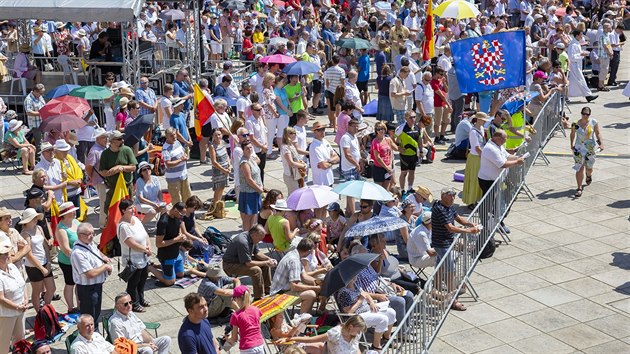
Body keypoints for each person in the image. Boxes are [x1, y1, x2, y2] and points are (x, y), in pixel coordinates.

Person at [431, 188, 480, 311]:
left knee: (440, 268)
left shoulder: (449, 206)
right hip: (442, 244)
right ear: (443, 196)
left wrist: (470, 224)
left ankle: (436, 291)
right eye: (450, 196)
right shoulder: (439, 209)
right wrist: (468, 231)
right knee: (450, 272)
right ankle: (453, 299)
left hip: (447, 242)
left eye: (453, 195)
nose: (453, 198)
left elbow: (458, 218)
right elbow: (450, 228)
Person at [335, 273, 396, 351]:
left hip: (367, 310)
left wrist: (372, 303)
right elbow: (348, 312)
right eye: (352, 276)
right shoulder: (343, 293)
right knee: (383, 319)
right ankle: (376, 345)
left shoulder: (355, 285)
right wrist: (360, 300)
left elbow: (366, 294)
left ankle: (386, 337)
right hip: (356, 316)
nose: (354, 277)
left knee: (391, 312)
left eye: (355, 275)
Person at [71, 223, 112, 326]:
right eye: (88, 234)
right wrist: (105, 267)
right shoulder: (78, 253)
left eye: (93, 233)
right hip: (88, 289)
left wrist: (103, 257)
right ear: (80, 235)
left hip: (96, 286)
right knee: (89, 317)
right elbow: (90, 273)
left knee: (96, 314)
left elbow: (96, 251)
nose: (92, 236)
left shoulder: (89, 243)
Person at [222, 225, 274, 300]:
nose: (260, 241)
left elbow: (257, 253)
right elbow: (248, 263)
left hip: (241, 260)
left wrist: (269, 259)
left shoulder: (253, 238)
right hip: (230, 265)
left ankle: (267, 288)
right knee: (256, 270)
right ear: (254, 235)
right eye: (259, 239)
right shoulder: (243, 242)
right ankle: (258, 297)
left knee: (265, 264)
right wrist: (266, 262)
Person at [117, 199, 151, 312]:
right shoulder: (123, 227)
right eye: (130, 208)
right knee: (133, 283)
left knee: (143, 279)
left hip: (143, 257)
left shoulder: (136, 219)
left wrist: (148, 247)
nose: (133, 210)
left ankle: (141, 299)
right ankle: (134, 303)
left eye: (133, 207)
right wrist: (145, 249)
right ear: (123, 210)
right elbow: (131, 243)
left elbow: (145, 235)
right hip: (132, 259)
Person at [270, 238, 321, 314]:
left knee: (312, 287)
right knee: (311, 294)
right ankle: (301, 321)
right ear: (309, 251)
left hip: (286, 289)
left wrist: (318, 282)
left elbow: (305, 276)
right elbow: (294, 286)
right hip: (279, 294)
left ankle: (307, 317)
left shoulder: (295, 254)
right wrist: (315, 288)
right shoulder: (294, 261)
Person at [20, 208, 55, 312]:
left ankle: (46, 309)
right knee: (37, 291)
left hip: (45, 262)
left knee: (51, 288)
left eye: (36, 217)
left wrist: (48, 262)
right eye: (33, 218)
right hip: (33, 266)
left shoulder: (39, 228)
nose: (36, 219)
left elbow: (45, 245)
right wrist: (41, 267)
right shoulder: (25, 234)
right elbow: (29, 254)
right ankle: (39, 314)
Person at [279, 315, 366, 353]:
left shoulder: (357, 334)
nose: (359, 333)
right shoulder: (336, 333)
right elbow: (311, 339)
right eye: (358, 330)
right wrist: (289, 339)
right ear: (350, 326)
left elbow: (356, 348)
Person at [0, 237, 28, 353]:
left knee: (21, 341)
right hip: (6, 315)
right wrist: (17, 307)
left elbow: (23, 284)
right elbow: (1, 298)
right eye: (4, 254)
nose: (8, 255)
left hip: (20, 310)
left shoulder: (12, 266)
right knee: (3, 344)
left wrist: (26, 299)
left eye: (7, 253)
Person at [99, 130, 137, 211]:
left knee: (127, 210)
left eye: (122, 138)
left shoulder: (127, 150)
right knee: (109, 210)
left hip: (126, 187)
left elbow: (133, 167)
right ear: (112, 141)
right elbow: (102, 171)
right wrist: (112, 172)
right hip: (113, 187)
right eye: (119, 139)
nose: (122, 140)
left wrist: (121, 168)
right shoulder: (105, 154)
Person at [570, 106, 604, 198]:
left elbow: (597, 133)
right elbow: (572, 134)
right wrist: (571, 145)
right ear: (581, 113)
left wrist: (601, 143)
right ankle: (579, 188)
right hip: (579, 148)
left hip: (590, 148)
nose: (585, 116)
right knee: (579, 168)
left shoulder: (593, 122)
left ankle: (588, 175)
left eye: (587, 114)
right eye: (584, 114)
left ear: (589, 115)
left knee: (589, 167)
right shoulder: (575, 124)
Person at [152, 202, 187, 287]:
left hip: (176, 253)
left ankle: (160, 267)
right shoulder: (163, 222)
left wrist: (181, 235)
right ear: (175, 210)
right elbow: (158, 244)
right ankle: (150, 268)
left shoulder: (177, 217)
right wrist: (176, 240)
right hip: (166, 255)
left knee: (180, 274)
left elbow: (178, 228)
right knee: (170, 282)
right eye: (181, 214)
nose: (182, 217)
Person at [55, 202, 80, 313]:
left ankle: (80, 305)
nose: (74, 213)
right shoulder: (61, 229)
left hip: (79, 260)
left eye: (73, 211)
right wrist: (79, 257)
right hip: (68, 261)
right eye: (71, 212)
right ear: (64, 214)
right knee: (70, 283)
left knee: (80, 283)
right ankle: (70, 307)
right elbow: (65, 249)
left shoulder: (76, 222)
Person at [225, 285, 265, 353]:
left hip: (247, 347)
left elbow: (234, 339)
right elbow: (257, 328)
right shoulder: (256, 310)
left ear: (237, 299)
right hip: (259, 344)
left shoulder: (236, 316)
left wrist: (227, 338)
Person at [463, 113, 489, 207]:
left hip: (479, 157)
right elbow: (477, 148)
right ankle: (471, 201)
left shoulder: (481, 128)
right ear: (478, 119)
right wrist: (486, 156)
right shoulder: (473, 132)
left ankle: (476, 200)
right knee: (474, 179)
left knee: (479, 179)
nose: (484, 122)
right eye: (483, 120)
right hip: (475, 157)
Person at [237, 141, 264, 231]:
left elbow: (259, 160)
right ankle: (246, 233)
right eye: (247, 148)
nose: (249, 150)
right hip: (248, 192)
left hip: (255, 191)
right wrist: (259, 189)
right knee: (248, 216)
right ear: (243, 150)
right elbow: (249, 179)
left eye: (250, 148)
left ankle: (251, 233)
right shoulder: (244, 163)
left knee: (254, 214)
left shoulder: (251, 159)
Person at [54, 139, 84, 219]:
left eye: (66, 150)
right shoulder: (55, 162)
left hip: (76, 191)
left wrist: (79, 180)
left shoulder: (70, 157)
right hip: (66, 194)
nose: (65, 152)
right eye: (63, 151)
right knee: (68, 216)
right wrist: (70, 182)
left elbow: (78, 170)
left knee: (77, 214)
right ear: (56, 151)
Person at [85, 128, 109, 229]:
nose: (106, 139)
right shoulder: (94, 151)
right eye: (104, 137)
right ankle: (103, 225)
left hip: (106, 180)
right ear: (98, 138)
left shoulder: (105, 148)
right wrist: (93, 177)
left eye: (106, 137)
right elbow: (88, 167)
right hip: (100, 180)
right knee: (103, 203)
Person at [162, 127, 192, 204]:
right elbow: (168, 164)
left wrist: (185, 155)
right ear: (167, 137)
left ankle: (188, 214)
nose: (174, 137)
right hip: (174, 179)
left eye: (174, 134)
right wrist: (181, 160)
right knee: (177, 200)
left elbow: (182, 153)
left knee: (187, 197)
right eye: (171, 136)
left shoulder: (177, 142)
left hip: (183, 175)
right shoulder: (166, 149)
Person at [567, 30, 598, 102]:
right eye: (581, 35)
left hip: (577, 65)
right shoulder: (573, 45)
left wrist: (581, 53)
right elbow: (572, 57)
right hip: (574, 66)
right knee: (581, 80)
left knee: (574, 82)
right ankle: (588, 95)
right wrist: (581, 55)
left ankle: (567, 95)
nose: (582, 37)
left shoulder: (576, 43)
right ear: (577, 35)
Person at [395, 111, 422, 193]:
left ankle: (410, 188)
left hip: (414, 154)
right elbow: (391, 139)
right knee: (404, 173)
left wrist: (420, 151)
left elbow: (420, 140)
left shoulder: (417, 128)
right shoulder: (401, 128)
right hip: (405, 155)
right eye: (410, 117)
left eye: (414, 117)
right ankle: (402, 190)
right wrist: (398, 148)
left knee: (412, 172)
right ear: (405, 118)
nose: (413, 119)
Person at [309, 121, 339, 191]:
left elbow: (337, 157)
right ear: (314, 132)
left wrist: (328, 161)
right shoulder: (314, 146)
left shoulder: (325, 141)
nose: (322, 132)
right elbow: (324, 166)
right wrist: (332, 160)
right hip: (321, 182)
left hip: (330, 179)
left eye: (323, 129)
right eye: (319, 130)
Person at [208, 129, 232, 213]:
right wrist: (224, 170)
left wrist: (229, 165)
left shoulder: (223, 143)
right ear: (213, 137)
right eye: (216, 135)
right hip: (218, 170)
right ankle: (214, 208)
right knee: (218, 190)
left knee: (222, 188)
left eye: (219, 134)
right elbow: (214, 162)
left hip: (225, 169)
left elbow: (227, 156)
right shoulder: (212, 146)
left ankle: (219, 207)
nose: (218, 137)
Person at [135, 161, 165, 226]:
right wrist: (154, 204)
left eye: (148, 168)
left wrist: (161, 202)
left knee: (164, 208)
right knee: (153, 212)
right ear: (141, 172)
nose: (147, 170)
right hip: (142, 203)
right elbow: (141, 198)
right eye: (144, 169)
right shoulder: (139, 181)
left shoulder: (155, 178)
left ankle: (162, 225)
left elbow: (159, 192)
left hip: (155, 202)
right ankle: (141, 225)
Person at [371, 121, 398, 191]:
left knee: (386, 189)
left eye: (382, 129)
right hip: (379, 168)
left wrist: (389, 164)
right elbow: (377, 157)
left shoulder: (387, 139)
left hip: (388, 167)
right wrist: (386, 167)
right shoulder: (375, 142)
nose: (381, 131)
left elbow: (391, 152)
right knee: (379, 190)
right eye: (379, 129)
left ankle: (384, 202)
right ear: (376, 131)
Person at [245, 102, 268, 182]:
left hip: (263, 148)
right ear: (252, 111)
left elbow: (264, 133)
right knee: (255, 170)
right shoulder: (249, 122)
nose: (260, 111)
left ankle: (262, 186)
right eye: (258, 110)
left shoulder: (260, 119)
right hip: (256, 150)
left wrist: (266, 144)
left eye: (261, 109)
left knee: (262, 168)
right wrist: (262, 146)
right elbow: (252, 138)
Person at [281, 128, 307, 194]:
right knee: (294, 195)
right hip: (290, 176)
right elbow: (291, 163)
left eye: (295, 133)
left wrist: (302, 162)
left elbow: (296, 158)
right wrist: (303, 166)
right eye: (292, 133)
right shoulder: (285, 148)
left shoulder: (291, 145)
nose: (295, 135)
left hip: (296, 174)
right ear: (287, 135)